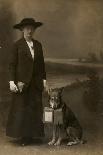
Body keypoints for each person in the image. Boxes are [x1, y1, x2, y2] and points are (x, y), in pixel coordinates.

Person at [6, 18, 47, 146]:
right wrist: (12, 81)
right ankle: (23, 137)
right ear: (22, 29)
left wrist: (44, 80)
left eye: (32, 28)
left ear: (34, 30)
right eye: (27, 28)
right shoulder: (17, 45)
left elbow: (41, 65)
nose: (30, 30)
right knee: (22, 110)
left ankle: (33, 136)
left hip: (35, 83)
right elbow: (12, 65)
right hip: (22, 84)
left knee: (35, 110)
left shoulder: (38, 45)